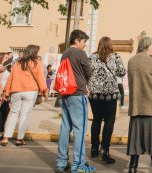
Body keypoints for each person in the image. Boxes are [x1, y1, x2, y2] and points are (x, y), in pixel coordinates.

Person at [55, 30, 95, 173]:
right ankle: (78, 164)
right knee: (80, 129)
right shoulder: (80, 54)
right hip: (78, 93)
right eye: (84, 41)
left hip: (66, 93)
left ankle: (61, 162)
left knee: (65, 128)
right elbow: (89, 73)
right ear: (77, 40)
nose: (85, 45)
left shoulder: (65, 54)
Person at [127, 36, 152, 173]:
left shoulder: (131, 61)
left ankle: (133, 167)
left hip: (136, 106)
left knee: (135, 140)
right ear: (147, 46)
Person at [88, 36, 126, 164]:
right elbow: (122, 72)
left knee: (96, 120)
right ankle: (104, 151)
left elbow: (86, 72)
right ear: (110, 45)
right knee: (109, 122)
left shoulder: (92, 57)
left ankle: (94, 148)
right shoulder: (115, 57)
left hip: (94, 95)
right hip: (110, 94)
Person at [0, 45, 48, 147]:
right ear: (34, 53)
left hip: (16, 91)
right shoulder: (37, 63)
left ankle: (5, 138)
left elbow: (10, 78)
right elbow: (41, 78)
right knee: (24, 114)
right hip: (30, 92)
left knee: (13, 113)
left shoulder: (17, 63)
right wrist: (45, 90)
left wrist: (6, 92)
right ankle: (19, 139)